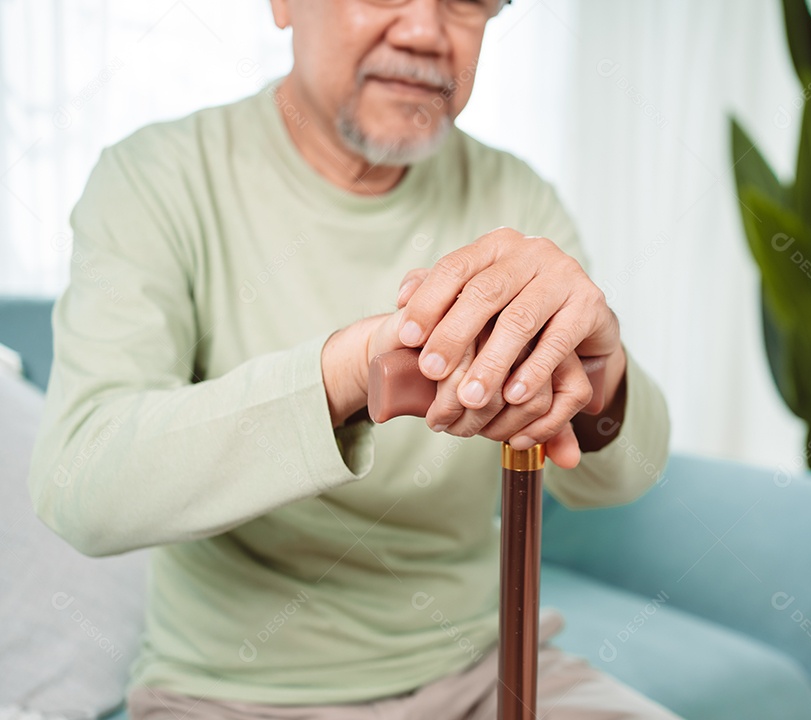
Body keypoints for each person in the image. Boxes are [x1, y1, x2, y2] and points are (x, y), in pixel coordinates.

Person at [29, 0, 674, 717]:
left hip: (489, 673)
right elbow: (82, 483)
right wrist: (345, 373)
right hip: (232, 695)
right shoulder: (154, 179)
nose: (427, 32)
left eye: (464, 1)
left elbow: (624, 479)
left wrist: (601, 378)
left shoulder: (517, 197)